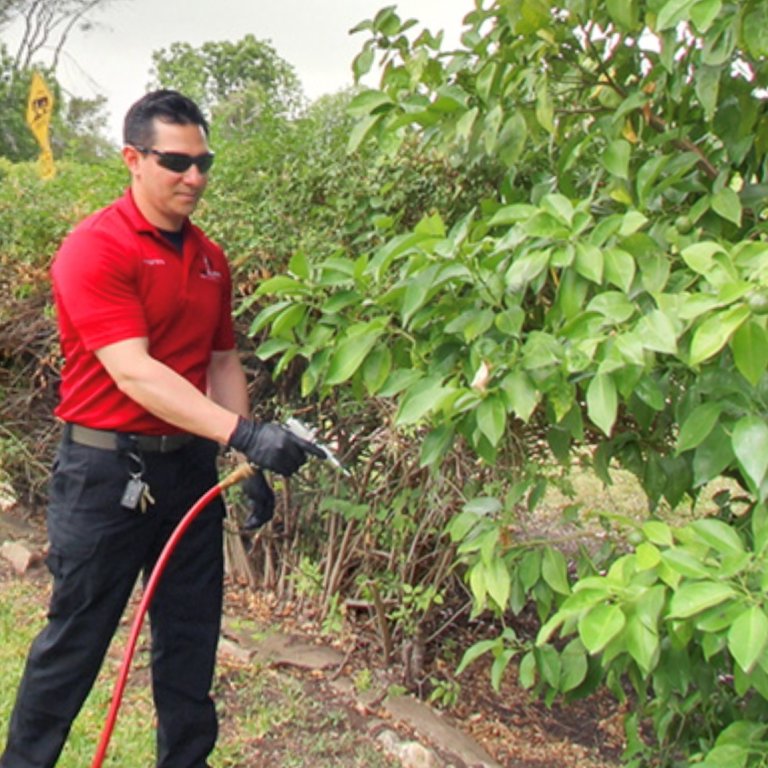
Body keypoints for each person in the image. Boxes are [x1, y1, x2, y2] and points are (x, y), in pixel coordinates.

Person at [0, 89, 321, 768]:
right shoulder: (96, 247)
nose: (195, 177)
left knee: (190, 641)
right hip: (104, 474)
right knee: (76, 642)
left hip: (188, 474)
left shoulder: (209, 257)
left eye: (204, 162)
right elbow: (135, 373)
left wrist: (248, 460)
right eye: (177, 161)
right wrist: (243, 432)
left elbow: (221, 358)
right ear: (133, 159)